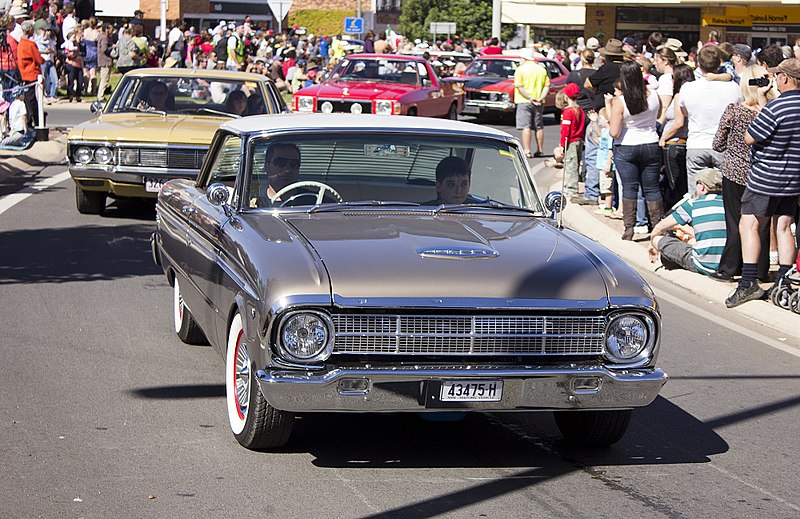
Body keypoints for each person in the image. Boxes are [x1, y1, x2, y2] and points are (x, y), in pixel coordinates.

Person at [727, 58, 800, 307]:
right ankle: (783, 280)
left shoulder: (776, 107)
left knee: (749, 223)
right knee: (783, 226)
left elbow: (750, 136)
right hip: (793, 178)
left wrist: (764, 102)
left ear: (784, 79)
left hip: (766, 177)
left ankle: (748, 283)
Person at [711, 65, 775, 283]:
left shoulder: (735, 110)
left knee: (736, 222)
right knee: (763, 225)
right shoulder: (773, 111)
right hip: (764, 173)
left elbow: (718, 144)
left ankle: (729, 268)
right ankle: (760, 270)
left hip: (735, 172)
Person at [607, 60, 663, 240]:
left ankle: (629, 229)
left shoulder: (620, 101)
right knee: (652, 188)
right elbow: (658, 116)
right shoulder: (654, 95)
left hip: (626, 146)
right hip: (651, 144)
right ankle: (656, 228)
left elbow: (614, 132)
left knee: (630, 188)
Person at [677, 45, 743, 191]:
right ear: (720, 63)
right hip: (724, 145)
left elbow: (684, 112)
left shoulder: (688, 88)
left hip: (697, 144)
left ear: (698, 64)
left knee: (696, 192)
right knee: (724, 192)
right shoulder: (733, 87)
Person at [648, 168, 727, 275]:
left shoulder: (693, 204)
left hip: (703, 264)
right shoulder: (730, 205)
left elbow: (660, 227)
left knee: (658, 239)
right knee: (691, 241)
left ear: (702, 187)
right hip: (727, 264)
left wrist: (652, 243)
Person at [658, 63, 694, 209]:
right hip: (684, 143)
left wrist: (664, 137)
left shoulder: (680, 96)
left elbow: (679, 123)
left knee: (676, 187)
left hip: (675, 143)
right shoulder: (693, 94)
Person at [513, 48, 549, 158]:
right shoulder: (541, 70)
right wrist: (540, 98)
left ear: (524, 58)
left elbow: (519, 86)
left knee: (526, 126)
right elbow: (546, 86)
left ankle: (527, 150)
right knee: (538, 126)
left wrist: (530, 97)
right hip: (539, 101)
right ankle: (540, 150)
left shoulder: (520, 70)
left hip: (524, 101)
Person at [555, 85, 586, 202]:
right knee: (575, 163)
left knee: (570, 165)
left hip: (571, 141)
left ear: (566, 97)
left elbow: (565, 130)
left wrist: (562, 145)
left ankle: (571, 189)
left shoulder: (568, 112)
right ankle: (570, 187)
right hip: (578, 140)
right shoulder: (579, 110)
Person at [250, 142, 302, 207]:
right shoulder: (254, 202)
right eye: (280, 162)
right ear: (266, 166)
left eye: (294, 164)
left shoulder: (314, 201)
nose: (287, 169)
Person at [585, 38, 625, 112]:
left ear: (607, 56)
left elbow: (587, 84)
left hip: (605, 106)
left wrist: (596, 91)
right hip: (625, 105)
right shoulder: (629, 66)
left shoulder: (606, 68)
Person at [16, 20, 42, 126]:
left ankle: (31, 119)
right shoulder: (30, 44)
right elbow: (39, 59)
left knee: (28, 98)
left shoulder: (21, 43)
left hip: (24, 73)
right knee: (32, 100)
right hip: (31, 73)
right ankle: (36, 120)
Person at [96, 23, 113, 101]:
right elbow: (104, 49)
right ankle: (101, 96)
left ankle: (100, 94)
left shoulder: (100, 36)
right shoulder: (104, 38)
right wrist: (112, 47)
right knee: (105, 79)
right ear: (106, 29)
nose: (112, 31)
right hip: (105, 60)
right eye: (110, 29)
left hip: (102, 60)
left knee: (103, 78)